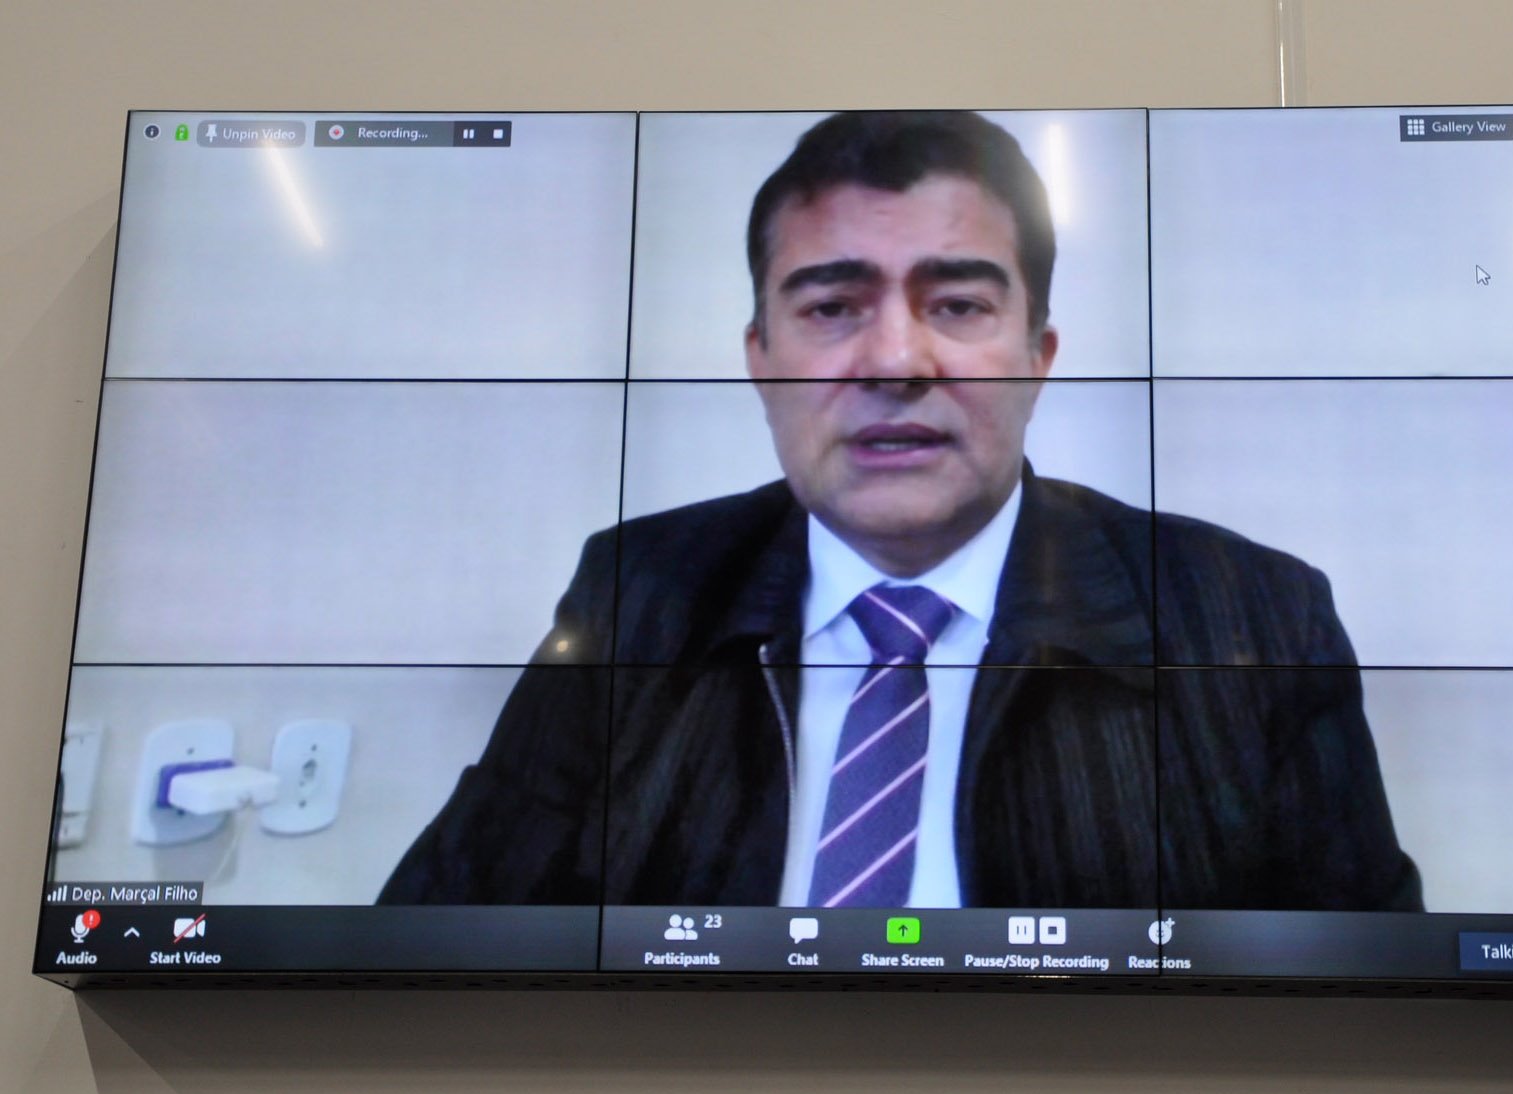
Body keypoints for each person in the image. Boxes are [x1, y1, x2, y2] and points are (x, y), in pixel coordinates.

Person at [380, 110, 1421, 911]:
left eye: (957, 305)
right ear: (760, 360)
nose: (893, 361)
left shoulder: (1249, 615)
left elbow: (1354, 1005)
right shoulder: (637, 592)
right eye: (832, 307)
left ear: (1038, 356)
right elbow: (440, 934)